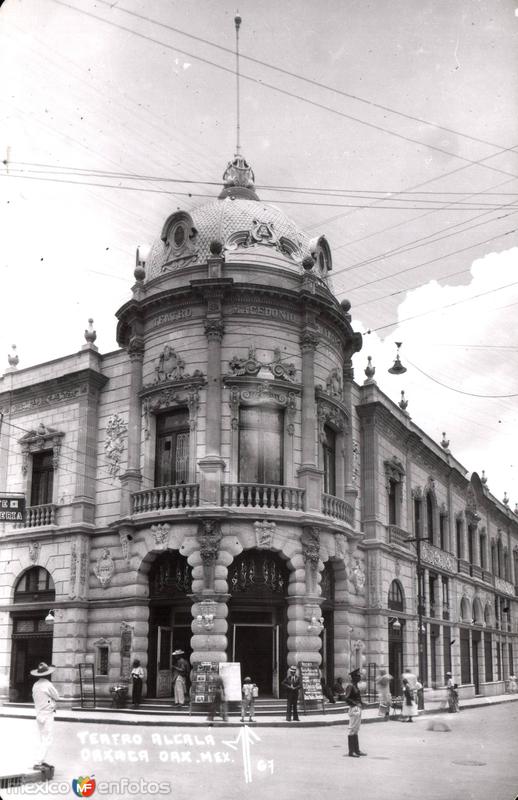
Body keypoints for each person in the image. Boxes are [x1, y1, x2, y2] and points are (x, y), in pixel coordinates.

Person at [31, 662, 60, 770]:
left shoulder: (35, 685)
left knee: (42, 738)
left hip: (39, 714)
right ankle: (38, 761)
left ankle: (40, 759)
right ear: (48, 674)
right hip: (47, 714)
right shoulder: (48, 684)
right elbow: (57, 696)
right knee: (47, 739)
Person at [344, 668, 366, 757]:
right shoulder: (350, 686)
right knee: (352, 729)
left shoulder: (355, 686)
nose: (359, 677)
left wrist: (361, 703)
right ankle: (351, 751)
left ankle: (356, 750)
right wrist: (355, 704)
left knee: (356, 730)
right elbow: (347, 698)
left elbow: (356, 697)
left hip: (358, 707)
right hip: (354, 708)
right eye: (358, 676)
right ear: (354, 677)